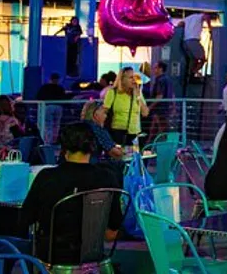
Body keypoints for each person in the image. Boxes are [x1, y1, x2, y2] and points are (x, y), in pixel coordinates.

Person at [20, 122, 124, 264]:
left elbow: (26, 218)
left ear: (63, 148)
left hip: (51, 258)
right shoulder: (107, 177)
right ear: (92, 147)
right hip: (92, 259)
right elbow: (112, 232)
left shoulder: (47, 177)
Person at [102, 67, 149, 146]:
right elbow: (104, 112)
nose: (134, 80)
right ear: (122, 79)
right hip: (118, 132)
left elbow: (145, 113)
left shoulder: (137, 92)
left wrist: (138, 96)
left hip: (135, 133)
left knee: (134, 157)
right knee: (120, 157)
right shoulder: (113, 93)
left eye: (134, 77)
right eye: (131, 77)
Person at [179, 12, 216, 79]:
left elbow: (180, 24)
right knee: (203, 59)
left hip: (185, 42)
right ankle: (193, 72)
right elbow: (206, 17)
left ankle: (189, 75)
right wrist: (210, 28)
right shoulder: (200, 16)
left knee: (193, 59)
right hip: (193, 40)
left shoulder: (187, 18)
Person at [145, 61, 174, 142]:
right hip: (165, 108)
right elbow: (172, 94)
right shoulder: (168, 79)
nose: (153, 70)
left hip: (160, 109)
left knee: (161, 130)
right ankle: (148, 146)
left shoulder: (160, 80)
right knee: (154, 130)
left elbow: (159, 96)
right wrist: (173, 107)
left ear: (160, 69)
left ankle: (159, 147)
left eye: (155, 68)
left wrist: (149, 107)